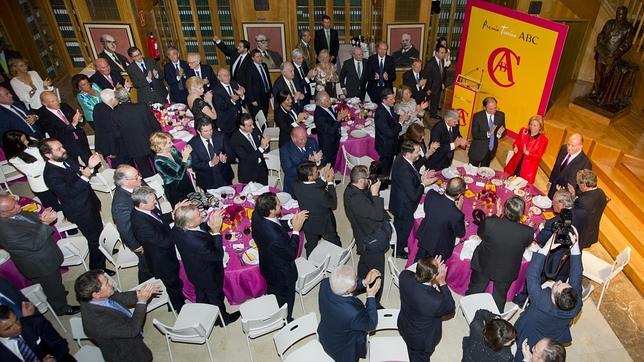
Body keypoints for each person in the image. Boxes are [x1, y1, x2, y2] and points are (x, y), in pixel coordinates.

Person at [0, 195, 79, 316]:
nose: (18, 205)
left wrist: (42, 217)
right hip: (40, 264)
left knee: (53, 283)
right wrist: (45, 224)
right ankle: (61, 308)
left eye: (15, 202)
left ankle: (57, 293)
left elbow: (29, 219)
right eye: (13, 206)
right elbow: (34, 244)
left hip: (44, 257)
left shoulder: (13, 213)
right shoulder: (6, 232)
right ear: (3, 213)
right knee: (52, 285)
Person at [40, 138, 110, 273]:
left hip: (89, 200)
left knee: (99, 230)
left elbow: (79, 171)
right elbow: (70, 193)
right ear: (48, 155)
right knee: (94, 239)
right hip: (80, 210)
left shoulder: (64, 159)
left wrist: (88, 167)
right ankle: (97, 269)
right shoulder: (50, 175)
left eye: (62, 146)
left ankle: (104, 248)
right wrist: (86, 175)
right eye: (58, 149)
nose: (63, 150)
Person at [513, 235, 582, 362]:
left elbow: (532, 273)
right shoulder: (576, 304)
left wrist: (546, 247)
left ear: (554, 298)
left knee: (521, 354)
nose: (559, 280)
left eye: (557, 285)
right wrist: (575, 247)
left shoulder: (540, 300)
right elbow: (576, 276)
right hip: (554, 336)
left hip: (529, 336)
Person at [171, 205, 241, 325]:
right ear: (189, 224)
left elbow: (199, 228)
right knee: (216, 297)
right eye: (199, 215)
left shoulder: (177, 228)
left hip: (193, 270)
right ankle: (223, 320)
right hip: (208, 275)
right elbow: (218, 255)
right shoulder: (196, 243)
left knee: (201, 292)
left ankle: (202, 309)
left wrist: (209, 225)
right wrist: (216, 232)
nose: (203, 215)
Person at [75, 270, 160, 362]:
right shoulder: (97, 322)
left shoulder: (96, 297)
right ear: (96, 295)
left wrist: (140, 293)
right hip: (126, 354)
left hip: (127, 335)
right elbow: (132, 330)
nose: (111, 283)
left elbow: (120, 298)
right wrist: (142, 301)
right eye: (107, 283)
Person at [467, 196, 534, 311]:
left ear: (504, 209)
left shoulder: (490, 222)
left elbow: (480, 233)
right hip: (507, 270)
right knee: (499, 297)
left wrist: (496, 216)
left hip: (484, 263)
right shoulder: (528, 232)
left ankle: (468, 308)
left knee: (476, 289)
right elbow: (526, 243)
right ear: (522, 214)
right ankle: (494, 319)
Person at [251, 192, 308, 322]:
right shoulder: (275, 238)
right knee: (287, 296)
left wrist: (290, 223)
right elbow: (291, 253)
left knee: (273, 288)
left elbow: (275, 224)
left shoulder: (257, 214)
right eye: (278, 203)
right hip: (282, 272)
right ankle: (286, 318)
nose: (280, 204)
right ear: (271, 210)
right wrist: (296, 230)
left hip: (267, 264)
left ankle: (273, 301)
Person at [130, 187, 185, 312]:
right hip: (162, 260)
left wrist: (173, 213)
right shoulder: (141, 224)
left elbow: (160, 220)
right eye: (153, 201)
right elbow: (166, 242)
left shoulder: (147, 209)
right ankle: (179, 308)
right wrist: (179, 221)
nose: (156, 202)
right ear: (142, 204)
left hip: (165, 252)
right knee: (173, 285)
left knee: (175, 281)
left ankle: (174, 302)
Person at [343, 165, 391, 302]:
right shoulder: (356, 199)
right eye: (367, 178)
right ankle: (374, 303)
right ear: (361, 181)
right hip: (371, 240)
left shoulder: (351, 189)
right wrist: (375, 193)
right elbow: (377, 215)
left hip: (363, 240)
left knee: (364, 263)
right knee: (377, 273)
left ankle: (358, 287)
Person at [317, 266, 381, 361]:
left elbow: (345, 286)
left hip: (325, 335)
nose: (358, 279)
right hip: (344, 350)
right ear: (348, 290)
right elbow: (371, 324)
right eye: (356, 280)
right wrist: (371, 296)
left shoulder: (325, 284)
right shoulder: (353, 313)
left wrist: (364, 282)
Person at [398, 256, 455, 361]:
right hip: (421, 341)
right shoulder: (436, 300)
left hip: (404, 325)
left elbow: (412, 272)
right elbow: (450, 307)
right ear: (434, 276)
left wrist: (428, 266)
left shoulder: (404, 276)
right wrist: (442, 282)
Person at [390, 141, 438, 259]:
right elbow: (413, 195)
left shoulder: (402, 157)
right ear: (408, 153)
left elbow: (413, 167)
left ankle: (395, 243)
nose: (418, 154)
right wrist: (423, 183)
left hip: (397, 200)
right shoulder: (404, 171)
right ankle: (398, 251)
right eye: (416, 152)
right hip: (404, 206)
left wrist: (426, 156)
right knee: (405, 228)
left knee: (398, 226)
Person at [111, 165, 153, 284]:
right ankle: (145, 286)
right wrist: (136, 246)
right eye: (136, 177)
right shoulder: (121, 204)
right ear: (125, 182)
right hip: (140, 241)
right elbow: (125, 229)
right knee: (146, 265)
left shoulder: (136, 183)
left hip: (147, 224)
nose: (140, 177)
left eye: (138, 174)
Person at [536, 190, 586, 283]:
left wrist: (542, 226)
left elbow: (540, 240)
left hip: (553, 264)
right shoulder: (583, 213)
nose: (552, 204)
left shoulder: (553, 223)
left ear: (562, 204)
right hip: (572, 258)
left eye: (554, 202)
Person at [3, 130, 60, 210]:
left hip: (54, 176)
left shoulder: (31, 141)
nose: (27, 141)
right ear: (15, 145)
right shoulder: (14, 159)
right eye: (23, 141)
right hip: (41, 185)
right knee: (54, 206)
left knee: (63, 198)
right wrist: (49, 159)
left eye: (26, 138)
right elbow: (34, 172)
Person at [292, 162, 341, 255]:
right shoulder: (320, 194)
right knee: (333, 240)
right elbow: (333, 203)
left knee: (311, 243)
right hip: (324, 222)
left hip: (308, 222)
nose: (318, 171)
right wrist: (330, 182)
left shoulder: (296, 184)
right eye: (315, 171)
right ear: (309, 177)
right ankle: (338, 256)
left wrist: (323, 178)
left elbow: (313, 185)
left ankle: (310, 259)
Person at [112, 87, 161, 178]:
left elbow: (117, 134)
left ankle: (152, 187)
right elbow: (154, 124)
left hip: (134, 147)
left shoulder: (115, 113)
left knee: (145, 172)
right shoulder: (142, 106)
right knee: (159, 166)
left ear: (117, 99)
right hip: (150, 142)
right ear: (128, 95)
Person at [416, 176, 466, 261]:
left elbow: (426, 209)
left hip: (424, 237)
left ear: (446, 186)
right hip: (438, 249)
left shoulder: (431, 194)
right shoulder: (457, 214)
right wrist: (458, 209)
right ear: (459, 195)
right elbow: (460, 234)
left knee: (417, 262)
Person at [0, 305, 74, 362]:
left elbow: (60, 344)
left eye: (16, 320)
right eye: (8, 328)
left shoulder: (35, 323)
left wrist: (54, 357)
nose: (18, 327)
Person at [37, 90, 91, 165]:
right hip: (66, 145)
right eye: (53, 101)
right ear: (45, 104)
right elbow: (56, 133)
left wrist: (80, 119)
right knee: (74, 167)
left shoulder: (64, 106)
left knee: (90, 160)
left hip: (80, 139)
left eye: (56, 99)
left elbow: (79, 120)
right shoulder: (43, 116)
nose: (57, 102)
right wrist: (73, 124)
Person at [592, 6, 634, 100]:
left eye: (621, 14)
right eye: (617, 13)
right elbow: (602, 33)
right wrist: (600, 38)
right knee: (598, 72)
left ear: (625, 14)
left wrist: (616, 53)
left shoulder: (628, 27)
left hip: (613, 55)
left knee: (607, 75)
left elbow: (627, 44)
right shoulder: (609, 23)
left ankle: (603, 93)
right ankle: (595, 90)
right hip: (602, 51)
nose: (619, 15)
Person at [150, 131, 195, 207]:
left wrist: (188, 155)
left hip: (186, 182)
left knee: (194, 204)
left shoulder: (172, 150)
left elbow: (187, 164)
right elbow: (178, 176)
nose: (172, 144)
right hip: (175, 189)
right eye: (169, 143)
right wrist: (184, 159)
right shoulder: (159, 161)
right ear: (161, 146)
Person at [188, 117, 234, 190]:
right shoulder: (193, 144)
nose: (210, 133)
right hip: (207, 180)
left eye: (211, 129)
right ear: (199, 132)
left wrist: (225, 158)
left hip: (225, 175)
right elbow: (195, 166)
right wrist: (211, 163)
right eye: (206, 131)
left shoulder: (221, 136)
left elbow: (231, 154)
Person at [504, 115, 548, 184]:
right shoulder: (523, 131)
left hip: (528, 169)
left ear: (540, 127)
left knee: (520, 186)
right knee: (509, 181)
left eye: (534, 125)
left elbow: (538, 156)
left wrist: (528, 153)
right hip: (516, 162)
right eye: (530, 124)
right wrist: (515, 147)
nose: (531, 127)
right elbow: (516, 143)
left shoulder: (543, 140)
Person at [547, 133, 592, 200]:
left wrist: (569, 195)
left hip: (565, 197)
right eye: (568, 144)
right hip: (553, 188)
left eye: (572, 146)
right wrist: (550, 181)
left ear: (580, 146)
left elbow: (582, 186)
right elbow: (556, 166)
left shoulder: (585, 163)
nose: (569, 147)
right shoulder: (563, 148)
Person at [375, 88, 409, 174]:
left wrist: (401, 117)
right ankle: (383, 183)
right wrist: (401, 122)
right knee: (385, 166)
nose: (394, 101)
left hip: (392, 143)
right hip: (385, 145)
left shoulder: (388, 107)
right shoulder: (380, 114)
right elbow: (389, 133)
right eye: (391, 99)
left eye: (393, 98)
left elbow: (392, 116)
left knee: (389, 163)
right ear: (384, 100)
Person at [280, 127, 322, 195]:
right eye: (301, 139)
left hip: (313, 181)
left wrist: (318, 161)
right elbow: (289, 172)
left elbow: (319, 159)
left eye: (306, 137)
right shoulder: (285, 150)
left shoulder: (312, 141)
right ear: (293, 139)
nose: (305, 141)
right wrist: (307, 162)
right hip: (296, 184)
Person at [230, 113, 270, 184]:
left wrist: (265, 144)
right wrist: (261, 148)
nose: (253, 127)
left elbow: (262, 142)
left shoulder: (254, 129)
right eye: (249, 125)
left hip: (261, 167)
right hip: (249, 172)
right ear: (242, 127)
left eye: (253, 124)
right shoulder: (235, 140)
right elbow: (247, 158)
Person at [573, 169, 607, 249]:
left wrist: (573, 199)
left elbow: (574, 216)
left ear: (584, 185)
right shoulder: (601, 193)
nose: (577, 185)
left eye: (578, 183)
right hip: (592, 233)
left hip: (580, 236)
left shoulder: (582, 201)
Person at [468, 97, 506, 167]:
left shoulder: (501, 115)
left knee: (484, 174)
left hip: (490, 151)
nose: (494, 110)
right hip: (477, 150)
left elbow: (504, 130)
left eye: (495, 108)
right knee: (471, 172)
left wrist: (499, 134)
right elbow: (475, 134)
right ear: (484, 108)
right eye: (491, 109)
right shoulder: (477, 116)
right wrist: (488, 133)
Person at [93, 88, 126, 167]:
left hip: (104, 147)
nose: (117, 99)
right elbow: (111, 133)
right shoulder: (110, 114)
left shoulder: (98, 107)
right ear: (111, 100)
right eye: (116, 97)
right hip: (113, 149)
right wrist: (113, 152)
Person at [314, 91, 348, 166]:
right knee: (328, 161)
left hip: (334, 139)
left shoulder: (326, 106)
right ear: (320, 103)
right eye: (327, 101)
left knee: (333, 158)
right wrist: (338, 119)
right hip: (328, 142)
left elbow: (331, 117)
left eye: (329, 99)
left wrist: (338, 115)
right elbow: (331, 131)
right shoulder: (319, 115)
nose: (330, 102)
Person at [212, 67, 244, 138]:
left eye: (228, 75)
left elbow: (242, 99)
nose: (227, 77)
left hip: (237, 119)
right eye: (224, 75)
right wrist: (232, 101)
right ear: (219, 77)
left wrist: (242, 95)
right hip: (226, 122)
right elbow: (221, 107)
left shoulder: (234, 84)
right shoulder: (216, 90)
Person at [244, 49, 272, 119]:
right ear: (253, 58)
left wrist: (270, 91)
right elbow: (248, 85)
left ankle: (264, 128)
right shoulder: (249, 69)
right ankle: (259, 129)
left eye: (260, 56)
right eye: (257, 57)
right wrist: (252, 99)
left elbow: (268, 79)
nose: (260, 58)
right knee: (258, 117)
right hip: (256, 97)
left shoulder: (264, 65)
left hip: (266, 95)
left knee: (265, 113)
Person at [423, 43, 447, 119]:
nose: (443, 55)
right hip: (431, 87)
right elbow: (426, 76)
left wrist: (442, 83)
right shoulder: (430, 63)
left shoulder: (442, 61)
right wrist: (427, 89)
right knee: (427, 101)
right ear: (436, 53)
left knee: (435, 101)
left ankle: (433, 114)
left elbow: (442, 73)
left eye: (444, 53)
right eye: (441, 53)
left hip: (438, 86)